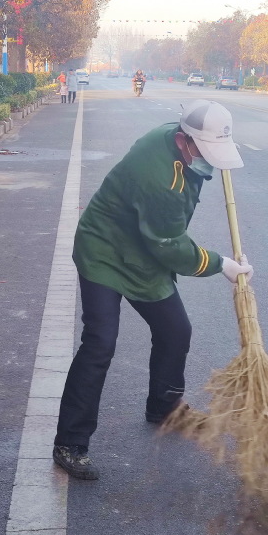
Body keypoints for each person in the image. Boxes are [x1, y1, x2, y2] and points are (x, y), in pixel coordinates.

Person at [53, 99, 254, 480]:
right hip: (105, 252)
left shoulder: (177, 142)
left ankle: (164, 407)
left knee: (175, 331)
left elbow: (164, 236)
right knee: (100, 343)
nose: (209, 160)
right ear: (183, 140)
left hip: (145, 254)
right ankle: (70, 442)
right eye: (205, 151)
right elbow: (170, 245)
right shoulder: (159, 178)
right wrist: (221, 265)